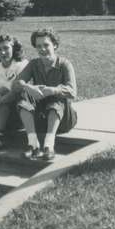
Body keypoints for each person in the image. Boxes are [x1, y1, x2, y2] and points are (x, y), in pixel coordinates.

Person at [13, 27, 77, 162]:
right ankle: (33, 144)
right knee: (23, 96)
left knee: (56, 99)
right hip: (41, 119)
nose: (42, 49)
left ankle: (49, 145)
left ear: (55, 45)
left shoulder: (64, 64)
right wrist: (28, 87)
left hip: (63, 119)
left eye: (46, 45)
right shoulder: (34, 64)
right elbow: (15, 85)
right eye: (38, 46)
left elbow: (72, 92)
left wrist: (52, 90)